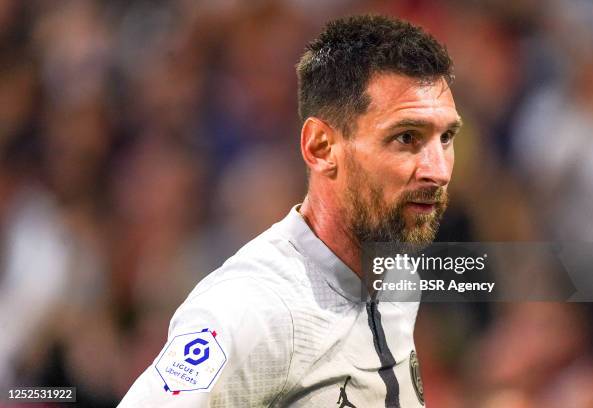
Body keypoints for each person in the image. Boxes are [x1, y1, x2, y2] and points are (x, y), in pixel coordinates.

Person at [119, 14, 460, 407]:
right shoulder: (250, 309)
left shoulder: (397, 275)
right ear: (320, 147)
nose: (438, 170)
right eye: (406, 137)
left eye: (446, 137)